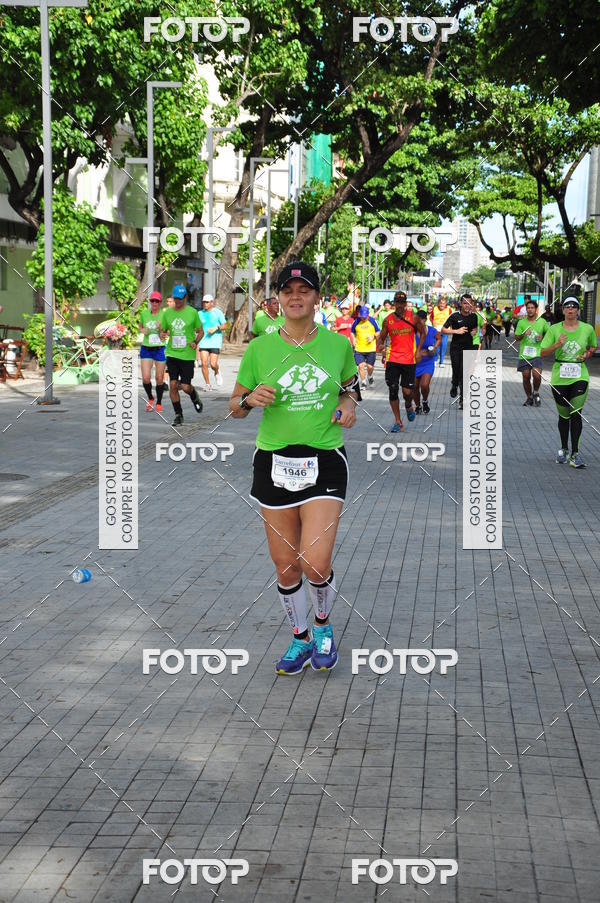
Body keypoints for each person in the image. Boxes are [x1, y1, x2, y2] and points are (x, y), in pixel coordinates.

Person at [229, 261, 360, 674]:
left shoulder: (338, 345)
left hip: (323, 458)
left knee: (314, 562)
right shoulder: (259, 348)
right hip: (274, 462)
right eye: (288, 290)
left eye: (304, 290)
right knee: (285, 563)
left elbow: (350, 390)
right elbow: (234, 406)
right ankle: (300, 638)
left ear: (317, 297)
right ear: (278, 299)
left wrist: (347, 407)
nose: (296, 296)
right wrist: (250, 400)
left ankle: (323, 626)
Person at [540, 297, 597, 467]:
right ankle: (564, 449)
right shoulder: (554, 329)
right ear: (563, 310)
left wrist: (587, 354)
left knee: (576, 412)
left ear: (578, 310)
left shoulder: (587, 328)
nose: (571, 310)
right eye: (567, 307)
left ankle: (575, 454)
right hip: (559, 376)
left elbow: (593, 346)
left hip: (580, 375)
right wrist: (557, 344)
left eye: (574, 307)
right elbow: (543, 352)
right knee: (564, 416)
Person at [376, 290, 426, 431]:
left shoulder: (414, 318)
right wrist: (381, 346)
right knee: (393, 389)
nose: (400, 305)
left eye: (402, 302)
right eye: (397, 302)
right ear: (394, 303)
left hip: (409, 359)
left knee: (407, 392)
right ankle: (398, 421)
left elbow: (423, 332)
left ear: (405, 304)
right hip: (393, 359)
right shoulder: (388, 320)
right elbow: (382, 337)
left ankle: (409, 405)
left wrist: (418, 350)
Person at [160, 284, 204, 426]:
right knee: (172, 385)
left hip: (187, 355)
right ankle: (178, 415)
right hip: (172, 353)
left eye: (180, 299)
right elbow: (163, 330)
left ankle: (194, 395)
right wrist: (161, 333)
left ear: (185, 298)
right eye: (176, 298)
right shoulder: (167, 313)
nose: (178, 301)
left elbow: (200, 331)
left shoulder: (192, 313)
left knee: (185, 386)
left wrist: (195, 342)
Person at [441, 293, 478, 410]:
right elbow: (443, 329)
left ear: (472, 305)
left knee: (464, 374)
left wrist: (475, 331)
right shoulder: (454, 316)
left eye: (469, 303)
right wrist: (456, 331)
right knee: (456, 370)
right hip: (456, 348)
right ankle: (454, 384)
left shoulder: (474, 317)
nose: (467, 305)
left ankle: (463, 400)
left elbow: (475, 327)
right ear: (461, 304)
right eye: (465, 303)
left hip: (469, 348)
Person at [514, 298, 549, 406]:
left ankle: (536, 392)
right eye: (528, 308)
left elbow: (550, 334)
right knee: (526, 376)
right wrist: (523, 334)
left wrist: (542, 337)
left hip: (537, 353)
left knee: (537, 375)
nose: (530, 310)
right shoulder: (521, 322)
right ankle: (529, 397)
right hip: (524, 354)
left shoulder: (542, 322)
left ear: (536, 309)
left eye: (532, 308)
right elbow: (516, 337)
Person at [140, 290, 167, 413]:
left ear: (160, 302)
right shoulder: (144, 314)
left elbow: (166, 333)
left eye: (157, 301)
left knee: (159, 378)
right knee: (146, 378)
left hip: (160, 349)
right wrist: (142, 330)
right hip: (146, 348)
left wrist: (161, 328)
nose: (154, 303)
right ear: (150, 302)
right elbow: (141, 326)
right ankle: (150, 398)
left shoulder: (164, 315)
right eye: (152, 300)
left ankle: (159, 402)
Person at [197, 293, 228, 391]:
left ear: (211, 302)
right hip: (203, 341)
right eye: (204, 302)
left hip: (215, 341)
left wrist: (216, 327)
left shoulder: (217, 312)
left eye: (207, 302)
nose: (205, 304)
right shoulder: (199, 313)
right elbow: (197, 327)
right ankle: (207, 384)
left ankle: (217, 371)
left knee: (213, 364)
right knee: (204, 363)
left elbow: (225, 325)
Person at [413, 309, 441, 414]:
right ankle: (418, 406)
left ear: (424, 320)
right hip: (414, 363)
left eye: (419, 320)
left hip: (428, 362)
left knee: (424, 385)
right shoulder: (412, 332)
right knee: (415, 387)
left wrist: (434, 347)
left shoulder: (431, 330)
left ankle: (424, 401)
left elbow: (439, 338)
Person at [351, 305, 380, 388]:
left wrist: (373, 336)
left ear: (368, 315)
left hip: (370, 348)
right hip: (359, 348)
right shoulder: (356, 321)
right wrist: (353, 339)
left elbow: (379, 332)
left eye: (365, 317)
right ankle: (363, 382)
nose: (363, 318)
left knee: (370, 366)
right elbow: (352, 332)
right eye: (362, 316)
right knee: (361, 366)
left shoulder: (373, 321)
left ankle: (370, 377)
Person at [431, 297, 450, 366]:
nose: (442, 305)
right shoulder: (435, 309)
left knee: (444, 346)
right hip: (436, 331)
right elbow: (431, 318)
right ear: (439, 303)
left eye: (444, 303)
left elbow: (451, 319)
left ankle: (441, 362)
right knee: (436, 346)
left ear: (445, 304)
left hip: (445, 331)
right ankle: (435, 360)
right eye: (441, 303)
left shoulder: (449, 310)